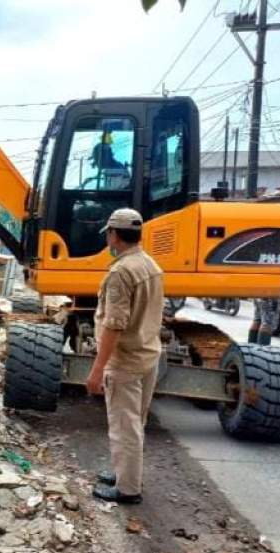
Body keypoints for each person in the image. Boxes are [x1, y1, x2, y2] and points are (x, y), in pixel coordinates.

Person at [86, 208, 164, 504]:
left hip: (126, 362)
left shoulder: (121, 272)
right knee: (134, 423)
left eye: (108, 234)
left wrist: (97, 371)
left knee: (124, 427)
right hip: (147, 355)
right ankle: (125, 472)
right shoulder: (149, 264)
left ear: (114, 235)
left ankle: (128, 489)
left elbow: (114, 325)